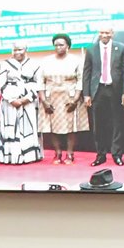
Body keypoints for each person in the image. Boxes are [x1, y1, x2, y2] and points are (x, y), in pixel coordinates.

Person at [81, 26, 124, 167]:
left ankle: (117, 155)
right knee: (98, 125)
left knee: (117, 123)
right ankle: (100, 155)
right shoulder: (91, 49)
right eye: (102, 32)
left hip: (114, 90)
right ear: (99, 34)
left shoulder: (121, 48)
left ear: (112, 34)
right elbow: (87, 72)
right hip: (97, 91)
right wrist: (86, 94)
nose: (104, 35)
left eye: (107, 33)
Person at [41, 33, 88, 165]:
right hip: (51, 97)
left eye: (61, 45)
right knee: (52, 126)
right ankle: (58, 153)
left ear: (68, 46)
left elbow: (80, 81)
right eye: (56, 45)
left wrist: (76, 99)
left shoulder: (77, 60)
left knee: (71, 127)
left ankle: (69, 153)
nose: (58, 47)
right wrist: (44, 101)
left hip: (71, 96)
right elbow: (40, 82)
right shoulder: (46, 61)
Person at [0, 44, 44, 165]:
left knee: (29, 126)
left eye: (20, 49)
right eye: (15, 50)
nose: (17, 52)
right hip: (9, 102)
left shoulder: (34, 64)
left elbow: (39, 83)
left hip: (29, 102)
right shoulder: (4, 64)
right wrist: (11, 99)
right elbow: (1, 83)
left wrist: (26, 99)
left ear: (26, 50)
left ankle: (30, 155)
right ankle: (11, 156)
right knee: (11, 127)